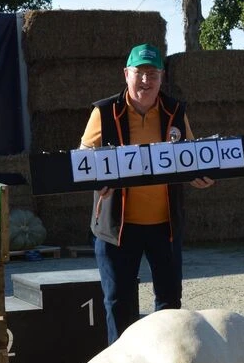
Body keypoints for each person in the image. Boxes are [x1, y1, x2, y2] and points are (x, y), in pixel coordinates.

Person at [80, 43, 214, 344]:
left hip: (164, 227)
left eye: (152, 74)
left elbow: (189, 157)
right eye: (139, 73)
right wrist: (94, 181)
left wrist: (198, 178)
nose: (145, 81)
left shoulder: (176, 111)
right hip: (117, 228)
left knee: (169, 304)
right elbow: (83, 159)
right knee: (119, 303)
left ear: (161, 77)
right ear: (126, 74)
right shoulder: (104, 112)